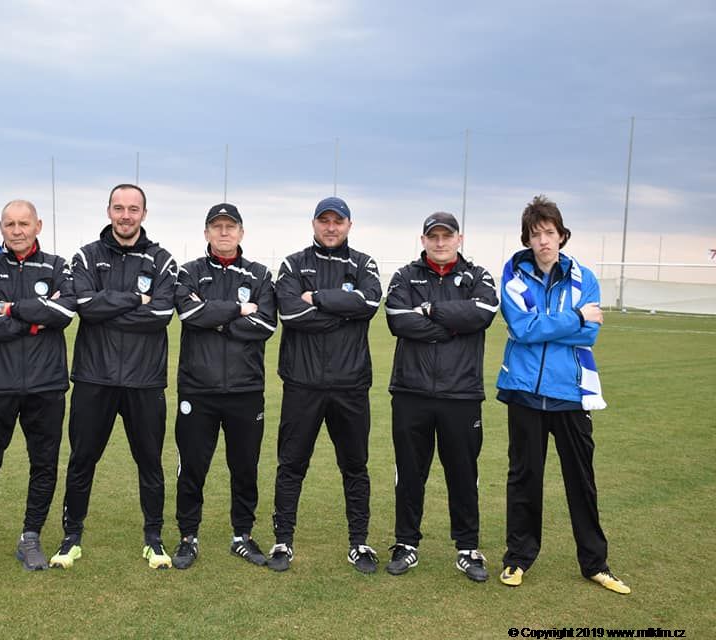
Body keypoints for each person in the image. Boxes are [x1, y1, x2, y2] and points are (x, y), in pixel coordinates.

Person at [496, 195, 630, 594]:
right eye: (536, 234)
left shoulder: (583, 278)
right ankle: (518, 558)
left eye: (550, 233)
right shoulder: (514, 274)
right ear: (527, 239)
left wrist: (549, 325)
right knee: (524, 479)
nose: (543, 241)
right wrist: (573, 317)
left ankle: (595, 563)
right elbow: (522, 329)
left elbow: (590, 334)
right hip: (524, 392)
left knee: (581, 480)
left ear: (562, 235)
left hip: (571, 392)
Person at [50, 184, 178, 570]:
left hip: (144, 380)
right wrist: (135, 299)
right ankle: (71, 537)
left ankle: (153, 539)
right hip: (95, 378)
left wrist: (108, 306)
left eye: (133, 209)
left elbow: (160, 315)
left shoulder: (162, 261)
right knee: (82, 460)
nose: (126, 215)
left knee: (149, 462)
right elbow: (85, 307)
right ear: (108, 211)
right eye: (119, 208)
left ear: (144, 214)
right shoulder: (86, 256)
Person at [0, 200, 78, 575]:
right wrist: (34, 318)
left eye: (23, 223)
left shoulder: (57, 267)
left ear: (38, 226)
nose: (17, 230)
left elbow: (64, 312)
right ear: (1, 227)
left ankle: (31, 536)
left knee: (43, 463)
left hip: (46, 385)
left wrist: (8, 308)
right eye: (9, 224)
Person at [268, 196, 382, 574]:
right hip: (302, 383)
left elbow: (368, 303)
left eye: (338, 221)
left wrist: (316, 298)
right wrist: (343, 311)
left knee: (355, 466)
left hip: (351, 385)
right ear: (314, 223)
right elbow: (290, 313)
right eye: (324, 221)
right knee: (291, 465)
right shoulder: (293, 264)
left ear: (349, 225)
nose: (331, 227)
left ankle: (359, 542)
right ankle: (283, 541)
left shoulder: (363, 264)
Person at [383, 212, 498, 582]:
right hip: (411, 392)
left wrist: (431, 311)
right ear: (423, 240)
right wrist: (452, 327)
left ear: (459, 239)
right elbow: (398, 319)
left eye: (446, 236)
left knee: (463, 473)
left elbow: (482, 312)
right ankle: (406, 543)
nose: (440, 242)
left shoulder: (478, 276)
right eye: (433, 236)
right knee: (409, 473)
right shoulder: (405, 276)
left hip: (461, 394)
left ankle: (467, 548)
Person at [170, 203, 277, 570]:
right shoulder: (190, 272)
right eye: (217, 227)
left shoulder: (260, 275)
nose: (224, 232)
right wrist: (239, 310)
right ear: (207, 233)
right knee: (192, 467)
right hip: (197, 389)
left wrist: (214, 316)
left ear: (241, 233)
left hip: (245, 390)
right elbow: (189, 314)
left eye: (230, 226)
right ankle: (188, 537)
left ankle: (242, 536)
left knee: (244, 467)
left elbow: (266, 325)